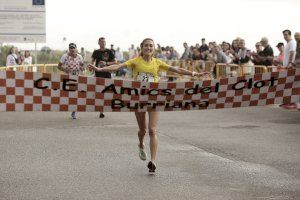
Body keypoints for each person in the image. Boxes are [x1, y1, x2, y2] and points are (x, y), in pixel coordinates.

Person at [88, 38, 210, 173]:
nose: (149, 48)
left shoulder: (157, 62)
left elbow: (176, 69)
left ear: (154, 48)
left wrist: (194, 74)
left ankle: (153, 161)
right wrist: (100, 68)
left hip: (154, 98)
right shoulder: (136, 61)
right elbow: (118, 66)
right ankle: (140, 144)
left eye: (151, 46)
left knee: (152, 130)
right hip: (139, 99)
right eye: (146, 45)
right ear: (142, 47)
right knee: (143, 130)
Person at [91, 37, 117, 118]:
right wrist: (91, 66)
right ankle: (101, 111)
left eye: (104, 41)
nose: (103, 43)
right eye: (101, 41)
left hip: (107, 73)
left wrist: (106, 63)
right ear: (98, 43)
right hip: (98, 73)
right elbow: (92, 61)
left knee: (108, 90)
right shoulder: (96, 52)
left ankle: (108, 104)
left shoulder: (109, 51)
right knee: (99, 91)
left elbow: (115, 61)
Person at [57, 43, 85, 119]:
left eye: (73, 48)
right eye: (71, 48)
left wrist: (83, 69)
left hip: (76, 77)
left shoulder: (80, 56)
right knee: (66, 94)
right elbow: (58, 66)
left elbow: (82, 66)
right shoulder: (64, 56)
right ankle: (65, 105)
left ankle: (73, 112)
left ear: (76, 49)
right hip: (67, 77)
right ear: (69, 49)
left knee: (75, 95)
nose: (72, 49)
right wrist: (64, 69)